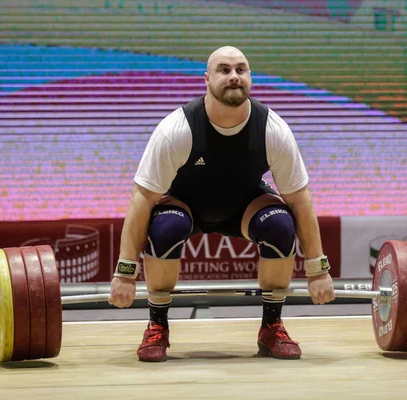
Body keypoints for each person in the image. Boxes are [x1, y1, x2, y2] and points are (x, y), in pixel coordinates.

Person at [108, 46, 335, 362]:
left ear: (250, 78)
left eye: (241, 70)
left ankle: (271, 326)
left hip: (245, 207)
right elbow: (142, 198)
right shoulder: (177, 128)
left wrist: (317, 269)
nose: (233, 77)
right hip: (184, 205)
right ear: (206, 79)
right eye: (224, 70)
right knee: (165, 226)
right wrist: (125, 273)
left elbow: (300, 199)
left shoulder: (272, 129)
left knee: (280, 224)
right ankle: (157, 326)